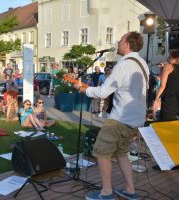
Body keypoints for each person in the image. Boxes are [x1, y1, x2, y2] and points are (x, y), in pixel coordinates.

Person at [76, 31, 148, 200]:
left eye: (121, 40)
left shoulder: (123, 65)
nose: (118, 42)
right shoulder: (142, 63)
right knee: (122, 153)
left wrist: (84, 89)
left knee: (102, 152)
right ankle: (130, 190)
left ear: (127, 45)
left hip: (120, 119)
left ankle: (106, 192)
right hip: (135, 119)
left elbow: (102, 92)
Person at [153, 50, 179, 121]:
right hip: (176, 100)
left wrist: (156, 99)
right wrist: (162, 70)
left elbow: (162, 85)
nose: (167, 59)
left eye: (170, 57)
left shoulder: (168, 66)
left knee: (167, 125)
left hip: (169, 103)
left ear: (176, 58)